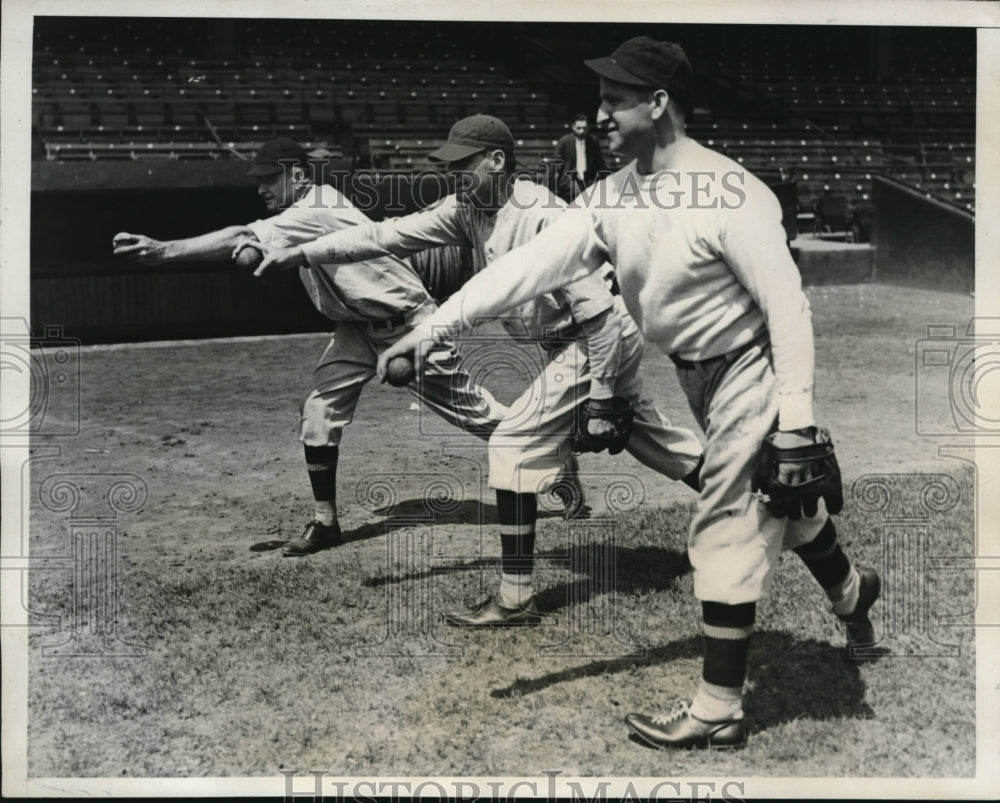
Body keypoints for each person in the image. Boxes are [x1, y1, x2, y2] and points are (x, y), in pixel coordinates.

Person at [375, 38, 880, 749]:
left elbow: (788, 308)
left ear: (659, 102)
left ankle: (718, 708)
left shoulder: (731, 190)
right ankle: (855, 593)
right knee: (786, 513)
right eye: (601, 100)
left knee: (724, 524)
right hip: (696, 375)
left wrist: (795, 418)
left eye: (616, 99)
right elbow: (525, 267)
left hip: (753, 368)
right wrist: (431, 329)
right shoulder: (610, 196)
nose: (601, 114)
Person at [252, 115, 704, 626]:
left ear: (497, 161)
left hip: (598, 336)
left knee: (511, 442)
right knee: (658, 444)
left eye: (463, 165)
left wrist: (601, 398)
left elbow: (599, 317)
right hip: (576, 339)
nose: (454, 176)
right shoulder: (468, 207)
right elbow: (384, 235)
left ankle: (515, 599)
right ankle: (756, 499)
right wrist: (301, 252)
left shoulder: (542, 215)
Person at [112, 137, 520, 556]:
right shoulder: (298, 214)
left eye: (270, 178)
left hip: (407, 326)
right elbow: (256, 240)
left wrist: (165, 250)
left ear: (299, 176)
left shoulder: (316, 207)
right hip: (355, 331)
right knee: (318, 412)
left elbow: (242, 234)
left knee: (479, 417)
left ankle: (550, 454)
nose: (261, 188)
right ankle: (325, 523)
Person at [553, 113, 608, 202]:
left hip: (589, 178)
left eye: (584, 128)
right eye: (579, 128)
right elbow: (555, 163)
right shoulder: (564, 141)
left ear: (588, 128)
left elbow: (600, 162)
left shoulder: (593, 141)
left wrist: (608, 178)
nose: (582, 131)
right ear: (573, 127)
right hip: (570, 178)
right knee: (577, 191)